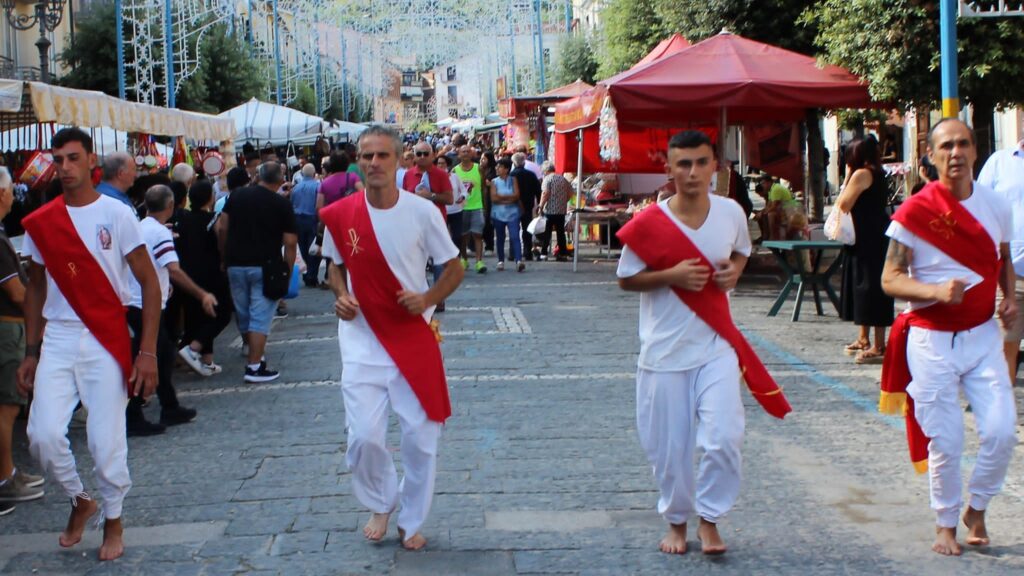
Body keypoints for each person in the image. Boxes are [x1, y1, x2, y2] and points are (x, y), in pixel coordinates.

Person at [615, 130, 790, 557]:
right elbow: (625, 279)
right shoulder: (650, 223)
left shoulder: (730, 213)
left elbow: (742, 250)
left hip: (716, 348)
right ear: (669, 170)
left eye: (700, 163)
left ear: (716, 166)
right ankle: (676, 522)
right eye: (683, 164)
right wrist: (670, 276)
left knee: (724, 437)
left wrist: (735, 271)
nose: (692, 173)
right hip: (665, 352)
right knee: (670, 449)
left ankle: (710, 519)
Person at [17, 127, 161, 561]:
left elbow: (150, 284)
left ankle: (114, 519)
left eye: (72, 158)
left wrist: (148, 351)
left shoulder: (116, 215)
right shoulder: (43, 222)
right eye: (58, 159)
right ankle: (80, 499)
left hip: (105, 331)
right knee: (41, 435)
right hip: (59, 334)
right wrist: (30, 350)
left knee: (104, 439)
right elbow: (37, 288)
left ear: (91, 159)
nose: (64, 167)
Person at [320, 126, 464, 550]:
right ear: (358, 161)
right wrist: (342, 295)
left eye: (383, 155)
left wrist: (427, 298)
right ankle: (381, 502)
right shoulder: (342, 213)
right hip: (362, 338)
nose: (374, 163)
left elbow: (453, 267)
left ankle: (412, 519)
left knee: (421, 437)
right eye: (367, 156)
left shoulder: (423, 213)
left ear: (400, 160)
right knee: (364, 435)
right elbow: (334, 266)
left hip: (411, 335)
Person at [879, 118, 1017, 557]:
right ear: (932, 157)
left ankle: (977, 508)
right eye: (946, 147)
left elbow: (1004, 258)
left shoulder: (996, 205)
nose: (955, 153)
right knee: (947, 438)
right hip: (931, 338)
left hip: (981, 337)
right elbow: (890, 279)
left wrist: (1009, 297)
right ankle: (945, 524)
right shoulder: (914, 213)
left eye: (963, 144)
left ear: (975, 151)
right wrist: (934, 291)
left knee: (1001, 431)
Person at [124, 185, 210, 437]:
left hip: (135, 302)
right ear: (171, 206)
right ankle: (135, 412)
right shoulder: (160, 233)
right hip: (145, 305)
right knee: (154, 356)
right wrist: (201, 293)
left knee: (161, 355)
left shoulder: (140, 228)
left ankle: (167, 406)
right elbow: (173, 268)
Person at [216, 161, 298, 383]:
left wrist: (224, 256)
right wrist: (288, 270)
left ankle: (251, 351)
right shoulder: (280, 204)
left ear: (258, 176)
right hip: (266, 265)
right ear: (280, 180)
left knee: (244, 313)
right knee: (260, 317)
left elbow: (222, 227)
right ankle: (254, 366)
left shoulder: (237, 196)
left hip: (235, 263)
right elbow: (290, 242)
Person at [0, 167, 44, 517]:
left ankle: (9, 472)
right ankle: (5, 477)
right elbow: (16, 292)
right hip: (8, 328)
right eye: (12, 190)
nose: (15, 196)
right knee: (7, 407)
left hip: (10, 327)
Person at [837, 137, 895, 364]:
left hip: (867, 236)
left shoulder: (861, 174)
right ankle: (863, 338)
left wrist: (849, 174)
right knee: (864, 286)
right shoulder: (878, 173)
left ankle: (879, 344)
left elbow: (843, 204)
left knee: (870, 286)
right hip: (872, 233)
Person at [978, 136, 1024, 383]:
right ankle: (1002, 414)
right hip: (1010, 275)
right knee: (1004, 350)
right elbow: (979, 209)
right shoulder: (999, 162)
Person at [177, 181, 232, 377]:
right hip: (211, 272)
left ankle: (207, 360)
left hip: (186, 273)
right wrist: (224, 259)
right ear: (210, 198)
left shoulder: (183, 220)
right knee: (222, 311)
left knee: (198, 314)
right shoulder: (213, 218)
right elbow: (221, 240)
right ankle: (193, 349)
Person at [454, 145, 487, 273]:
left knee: (478, 234)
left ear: (472, 154)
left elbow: (484, 187)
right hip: (462, 208)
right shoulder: (455, 171)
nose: (466, 154)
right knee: (463, 236)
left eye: (468, 151)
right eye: (463, 152)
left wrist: (484, 205)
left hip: (477, 206)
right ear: (459, 155)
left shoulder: (478, 168)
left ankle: (479, 261)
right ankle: (464, 259)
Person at [490, 158, 524, 272]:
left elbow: (517, 196)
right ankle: (501, 261)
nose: (497, 168)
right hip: (498, 213)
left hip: (513, 213)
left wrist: (501, 198)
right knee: (500, 238)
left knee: (515, 236)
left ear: (506, 169)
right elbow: (494, 198)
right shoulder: (494, 181)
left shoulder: (513, 180)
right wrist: (509, 199)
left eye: (499, 167)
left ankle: (518, 260)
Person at [402, 142, 454, 216]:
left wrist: (431, 195)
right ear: (414, 156)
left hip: (436, 221)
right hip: (414, 220)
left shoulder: (442, 174)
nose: (422, 156)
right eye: (419, 154)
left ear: (432, 156)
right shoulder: (408, 174)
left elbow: (450, 200)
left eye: (426, 154)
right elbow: (404, 198)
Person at [291, 164, 322, 287]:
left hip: (298, 219)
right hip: (312, 219)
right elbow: (319, 204)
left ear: (302, 175)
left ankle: (309, 272)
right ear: (314, 174)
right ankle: (312, 275)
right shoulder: (318, 186)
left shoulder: (296, 188)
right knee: (314, 247)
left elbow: (292, 204)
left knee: (303, 247)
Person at [536, 162, 571, 261]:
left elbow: (545, 193)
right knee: (560, 232)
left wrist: (541, 206)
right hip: (561, 210)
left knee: (547, 232)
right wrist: (564, 201)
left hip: (550, 210)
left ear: (546, 170)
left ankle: (544, 253)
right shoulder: (562, 178)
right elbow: (570, 192)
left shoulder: (547, 179)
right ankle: (563, 253)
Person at [511, 152, 541, 261]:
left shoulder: (511, 175)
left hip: (513, 206)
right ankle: (527, 252)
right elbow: (538, 191)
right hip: (528, 205)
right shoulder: (531, 175)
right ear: (524, 163)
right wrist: (539, 204)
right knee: (526, 229)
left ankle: (513, 253)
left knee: (513, 229)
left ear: (514, 163)